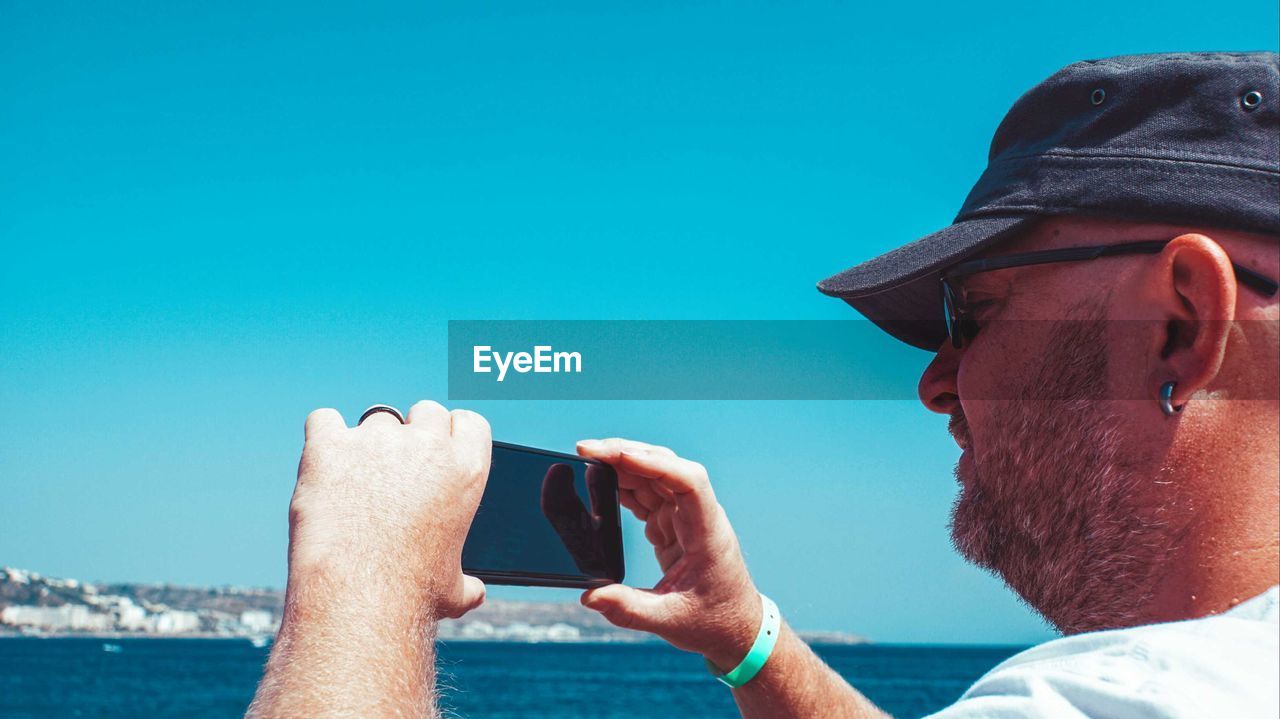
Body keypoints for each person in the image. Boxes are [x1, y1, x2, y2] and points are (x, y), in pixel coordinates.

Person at [247, 52, 1279, 718]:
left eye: (973, 314)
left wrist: (359, 588)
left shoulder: (1147, 697)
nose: (934, 382)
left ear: (1179, 318)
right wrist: (747, 638)